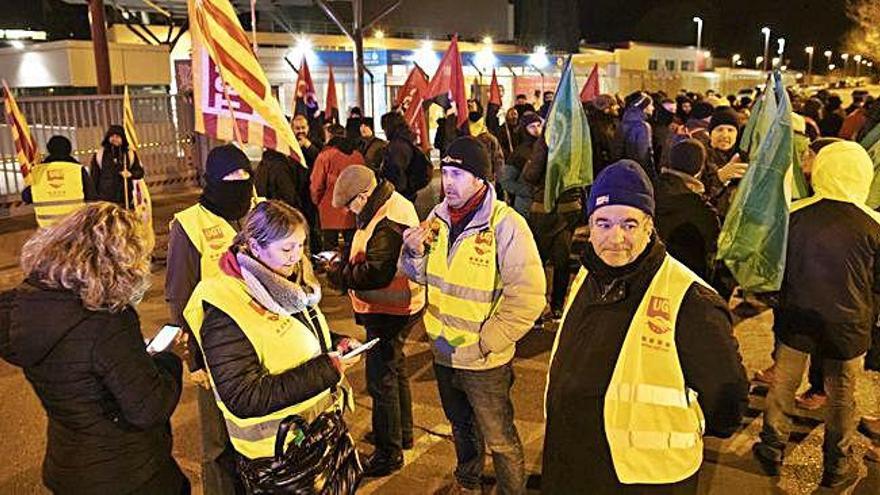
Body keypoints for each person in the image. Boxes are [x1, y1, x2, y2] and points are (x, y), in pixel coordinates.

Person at [543, 160, 748, 494]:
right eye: (604, 223)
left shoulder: (690, 299)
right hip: (576, 463)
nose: (615, 238)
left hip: (646, 478)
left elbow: (727, 400)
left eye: (629, 224)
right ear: (589, 226)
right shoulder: (588, 274)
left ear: (649, 226)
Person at [0, 202, 188, 494]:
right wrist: (168, 359)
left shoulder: (20, 307)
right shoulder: (107, 321)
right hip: (127, 473)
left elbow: (83, 372)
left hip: (68, 468)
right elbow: (149, 407)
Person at [400, 136, 545, 494]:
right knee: (461, 427)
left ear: (482, 179)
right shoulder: (435, 217)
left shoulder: (506, 225)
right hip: (443, 351)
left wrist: (488, 341)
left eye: (458, 174)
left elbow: (528, 297)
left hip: (484, 360)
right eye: (445, 171)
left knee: (501, 438)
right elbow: (418, 274)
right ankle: (468, 482)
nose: (448, 181)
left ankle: (512, 491)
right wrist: (412, 252)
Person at [182, 200, 360, 489]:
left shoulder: (288, 285)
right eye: (286, 249)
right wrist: (328, 368)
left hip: (319, 434)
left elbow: (295, 332)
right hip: (278, 455)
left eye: (301, 246)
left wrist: (338, 343)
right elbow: (243, 395)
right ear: (254, 246)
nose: (296, 257)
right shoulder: (225, 305)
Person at [753, 141, 880, 488]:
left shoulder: (795, 213)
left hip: (797, 314)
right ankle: (837, 465)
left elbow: (774, 267)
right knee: (842, 394)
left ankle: (771, 446)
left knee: (783, 382)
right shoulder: (874, 223)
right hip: (849, 326)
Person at [165, 144, 255, 495]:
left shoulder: (259, 212)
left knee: (256, 433)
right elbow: (179, 295)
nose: (240, 184)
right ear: (212, 180)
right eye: (231, 178)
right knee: (218, 444)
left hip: (260, 341)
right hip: (213, 350)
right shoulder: (189, 224)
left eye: (245, 176)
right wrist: (193, 358)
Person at [330, 165, 425, 477]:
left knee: (381, 380)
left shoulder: (388, 218)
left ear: (363, 195)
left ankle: (388, 452)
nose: (348, 211)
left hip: (389, 309)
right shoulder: (384, 205)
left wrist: (339, 275)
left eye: (350, 205)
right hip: (394, 307)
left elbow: (376, 272)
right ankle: (401, 433)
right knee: (394, 371)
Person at [523, 128, 581, 321]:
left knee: (538, 261)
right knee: (562, 261)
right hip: (569, 208)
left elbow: (530, 175)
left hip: (545, 210)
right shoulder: (577, 143)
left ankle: (538, 309)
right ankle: (557, 307)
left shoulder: (544, 143)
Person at [654, 139, 720, 280]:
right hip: (686, 282)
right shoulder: (703, 211)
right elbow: (711, 253)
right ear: (700, 169)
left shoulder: (650, 190)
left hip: (652, 277)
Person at [310, 124, 364, 254]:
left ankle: (332, 272)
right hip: (353, 209)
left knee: (330, 250)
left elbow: (316, 184)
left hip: (330, 210)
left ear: (329, 136)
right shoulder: (358, 155)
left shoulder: (325, 156)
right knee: (352, 247)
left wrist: (317, 202)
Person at [22, 135, 97, 227]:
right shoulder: (77, 170)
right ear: (69, 149)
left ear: (49, 149)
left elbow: (26, 197)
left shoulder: (37, 171)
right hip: (74, 224)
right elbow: (92, 197)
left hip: (47, 228)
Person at [89, 125, 144, 207]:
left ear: (123, 138)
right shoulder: (100, 155)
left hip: (124, 198)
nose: (114, 139)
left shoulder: (129, 154)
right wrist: (94, 198)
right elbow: (94, 177)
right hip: (105, 199)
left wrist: (131, 174)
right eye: (112, 136)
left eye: (117, 136)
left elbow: (140, 172)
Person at [499, 112, 541, 217]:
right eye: (532, 126)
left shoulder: (548, 149)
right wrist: (528, 191)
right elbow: (506, 182)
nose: (536, 130)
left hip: (544, 208)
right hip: (525, 207)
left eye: (538, 125)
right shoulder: (519, 153)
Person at [292, 114, 323, 252]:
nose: (300, 131)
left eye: (303, 127)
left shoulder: (315, 142)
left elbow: (321, 159)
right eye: (297, 128)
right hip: (295, 190)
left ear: (308, 128)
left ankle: (316, 254)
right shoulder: (289, 144)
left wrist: (308, 146)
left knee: (314, 226)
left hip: (311, 191)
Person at [614, 92, 656, 181]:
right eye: (650, 105)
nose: (653, 108)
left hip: (623, 170)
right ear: (644, 108)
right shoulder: (643, 126)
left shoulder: (623, 123)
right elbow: (644, 155)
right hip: (639, 172)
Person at [380, 111, 421, 202]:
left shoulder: (397, 146)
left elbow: (396, 173)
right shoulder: (405, 140)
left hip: (400, 194)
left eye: (384, 129)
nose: (384, 132)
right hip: (408, 191)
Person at [587, 94, 621, 178]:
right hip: (603, 169)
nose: (618, 107)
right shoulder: (601, 126)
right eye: (613, 105)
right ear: (606, 109)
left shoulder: (611, 122)